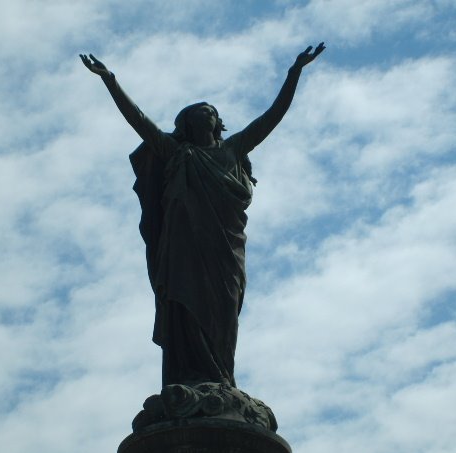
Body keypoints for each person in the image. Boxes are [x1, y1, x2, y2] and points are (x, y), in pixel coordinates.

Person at [80, 42, 325, 388]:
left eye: (211, 110)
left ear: (217, 121)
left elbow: (272, 117)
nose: (206, 113)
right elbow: (139, 120)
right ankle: (191, 377)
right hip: (184, 249)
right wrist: (110, 80)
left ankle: (223, 376)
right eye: (199, 111)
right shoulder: (176, 152)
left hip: (225, 250)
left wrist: (293, 73)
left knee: (225, 312)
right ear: (187, 122)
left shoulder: (233, 149)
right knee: (184, 306)